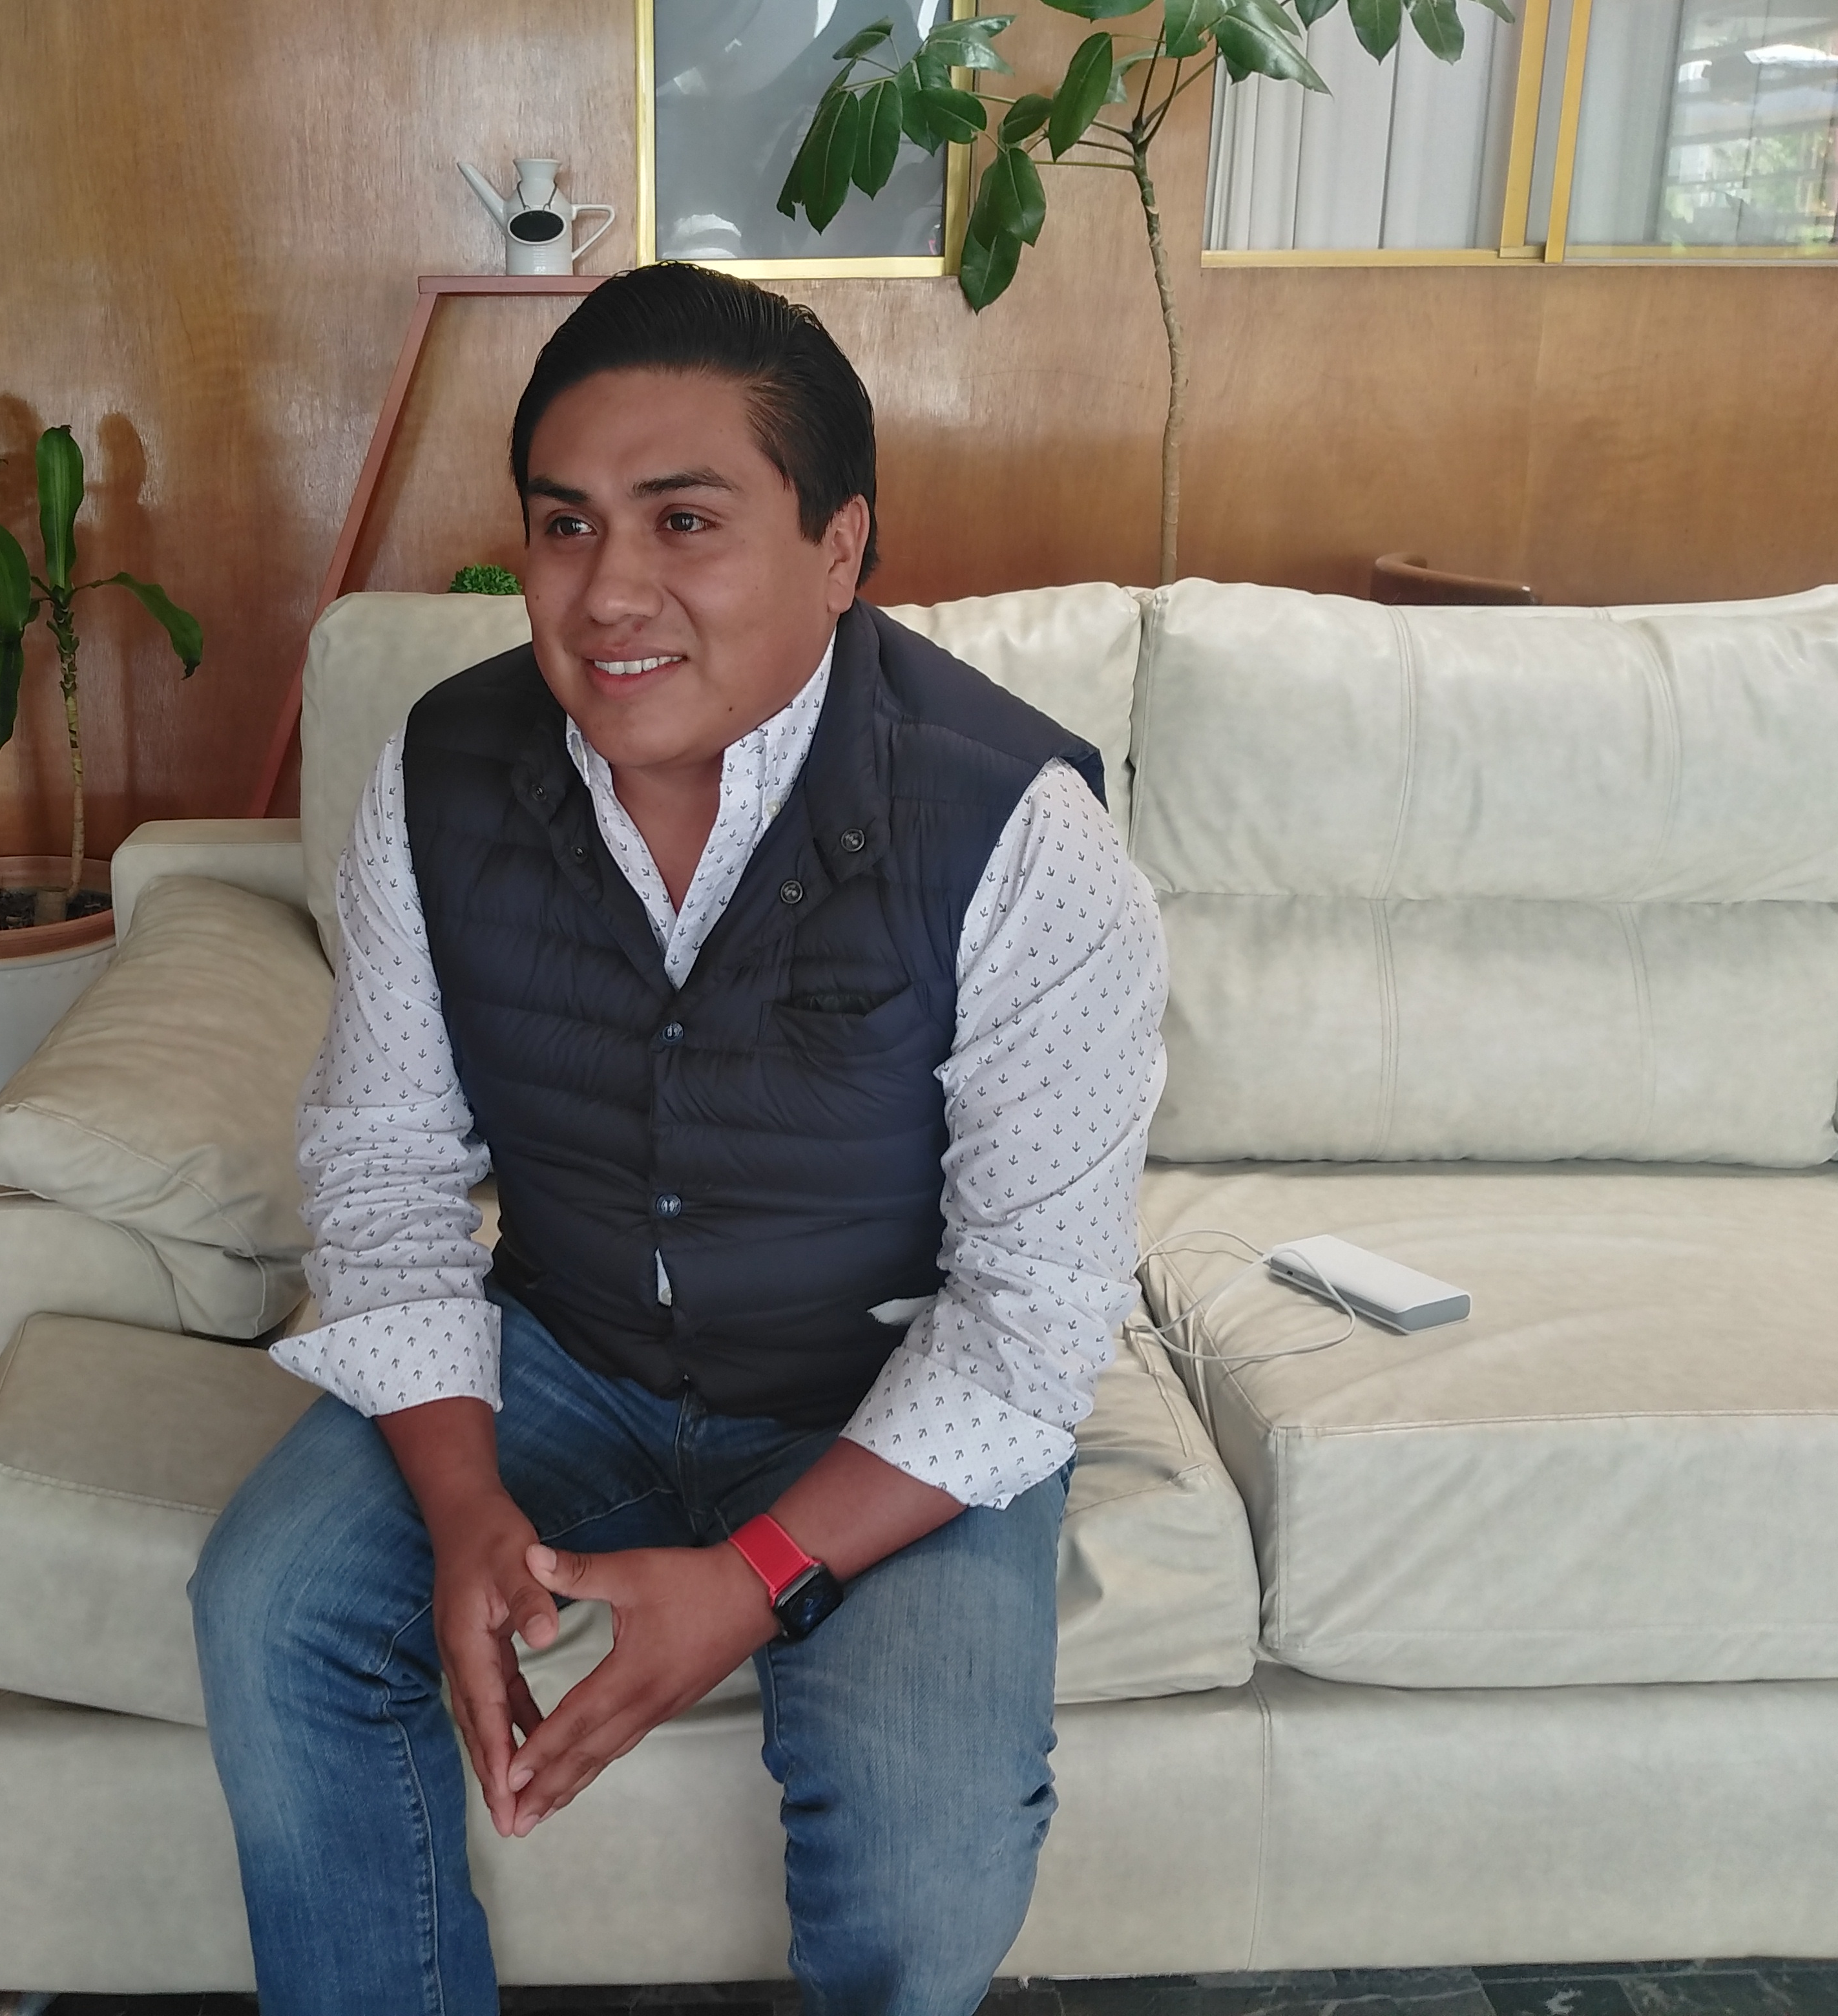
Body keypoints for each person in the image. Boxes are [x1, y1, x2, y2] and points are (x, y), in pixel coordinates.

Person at [191, 261, 1167, 2016]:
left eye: (686, 521)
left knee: (929, 1849)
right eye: (564, 524)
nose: (610, 591)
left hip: (882, 1394)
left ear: (840, 549)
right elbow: (385, 1169)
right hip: (569, 1353)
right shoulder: (441, 774)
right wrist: (465, 1506)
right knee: (276, 1610)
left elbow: (1028, 1324)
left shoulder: (1016, 827)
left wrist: (754, 1579)